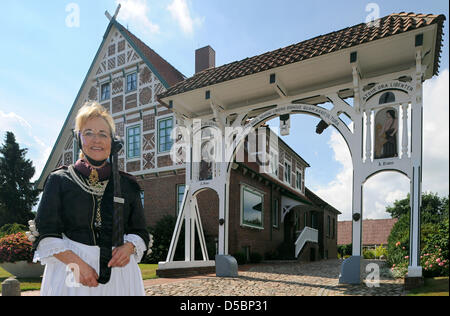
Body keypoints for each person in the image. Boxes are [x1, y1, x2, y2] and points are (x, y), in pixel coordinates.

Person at [32, 101, 150, 296]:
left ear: (112, 141)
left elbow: (140, 231)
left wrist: (129, 247)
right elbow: (46, 233)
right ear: (79, 138)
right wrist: (77, 265)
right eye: (88, 133)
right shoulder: (59, 180)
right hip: (71, 271)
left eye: (103, 134)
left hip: (119, 274)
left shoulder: (127, 185)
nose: (97, 140)